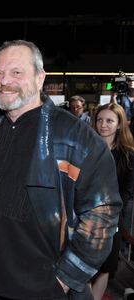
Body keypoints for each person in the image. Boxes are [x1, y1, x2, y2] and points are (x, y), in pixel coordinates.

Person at [0, 40, 121, 299]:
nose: (4, 80)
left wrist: (64, 280)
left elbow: (103, 214)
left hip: (43, 289)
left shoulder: (78, 138)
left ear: (40, 78)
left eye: (16, 72)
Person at [91, 103, 134, 300]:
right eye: (100, 120)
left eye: (109, 120)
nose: (103, 125)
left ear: (119, 124)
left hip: (111, 219)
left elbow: (127, 191)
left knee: (106, 267)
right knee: (81, 265)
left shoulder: (128, 155)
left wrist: (112, 213)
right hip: (83, 215)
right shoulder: (86, 149)